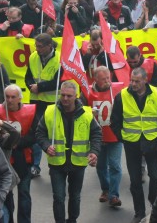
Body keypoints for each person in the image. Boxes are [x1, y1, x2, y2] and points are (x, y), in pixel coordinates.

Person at [111, 66, 157, 223]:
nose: (133, 84)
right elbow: (115, 121)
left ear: (145, 80)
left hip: (152, 141)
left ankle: (154, 202)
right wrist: (122, 138)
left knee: (156, 177)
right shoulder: (122, 96)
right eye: (131, 80)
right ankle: (139, 211)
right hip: (131, 143)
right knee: (135, 180)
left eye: (137, 81)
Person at [35, 80, 102, 223]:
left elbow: (96, 134)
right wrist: (46, 146)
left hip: (77, 163)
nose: (65, 98)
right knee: (58, 197)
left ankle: (72, 219)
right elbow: (39, 133)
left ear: (76, 96)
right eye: (63, 95)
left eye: (69, 96)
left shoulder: (87, 114)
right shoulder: (50, 112)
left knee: (75, 196)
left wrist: (94, 152)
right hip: (57, 162)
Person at [87, 67, 125, 209]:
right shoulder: (88, 92)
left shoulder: (118, 91)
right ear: (95, 79)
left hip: (114, 136)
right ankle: (106, 189)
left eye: (109, 78)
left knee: (115, 165)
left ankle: (114, 195)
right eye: (104, 79)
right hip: (98, 137)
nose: (108, 81)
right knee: (101, 166)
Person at [24, 33, 61, 176]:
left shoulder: (59, 59)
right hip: (36, 102)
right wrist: (30, 86)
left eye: (40, 47)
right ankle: (35, 165)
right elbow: (28, 77)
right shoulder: (33, 57)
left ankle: (54, 165)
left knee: (53, 134)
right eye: (36, 46)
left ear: (49, 46)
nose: (37, 49)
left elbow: (59, 81)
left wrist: (40, 87)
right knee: (35, 134)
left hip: (52, 103)